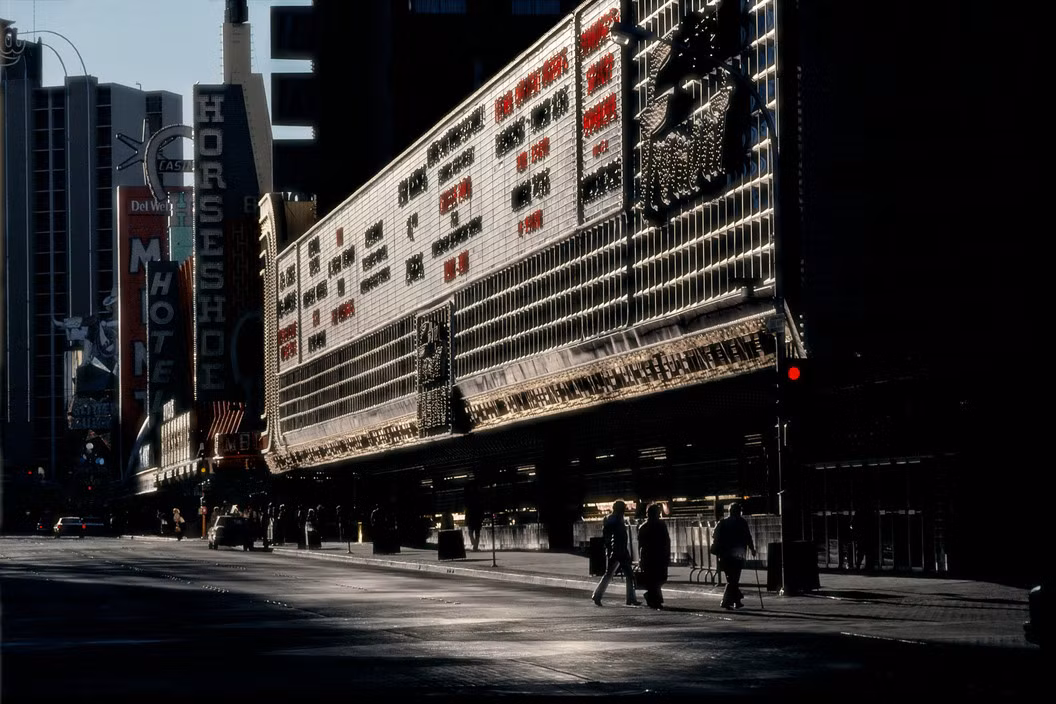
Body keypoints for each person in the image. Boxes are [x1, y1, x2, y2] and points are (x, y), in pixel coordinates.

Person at [591, 500, 641, 607]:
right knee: (628, 575)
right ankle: (630, 598)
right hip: (619, 550)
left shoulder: (612, 518)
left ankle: (598, 595)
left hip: (616, 550)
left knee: (609, 574)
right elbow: (614, 536)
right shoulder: (616, 519)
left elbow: (608, 535)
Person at [713, 502, 756, 609]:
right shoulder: (742, 522)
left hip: (725, 555)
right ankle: (726, 601)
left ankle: (736, 601)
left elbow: (714, 536)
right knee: (734, 579)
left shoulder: (722, 523)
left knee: (731, 578)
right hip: (738, 554)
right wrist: (752, 549)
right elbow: (748, 537)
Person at [636, 503, 671, 609]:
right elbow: (666, 541)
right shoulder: (661, 525)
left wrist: (640, 559)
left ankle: (652, 597)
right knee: (659, 578)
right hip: (659, 554)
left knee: (652, 578)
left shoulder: (643, 527)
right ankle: (655, 599)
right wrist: (667, 554)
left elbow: (640, 545)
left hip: (648, 555)